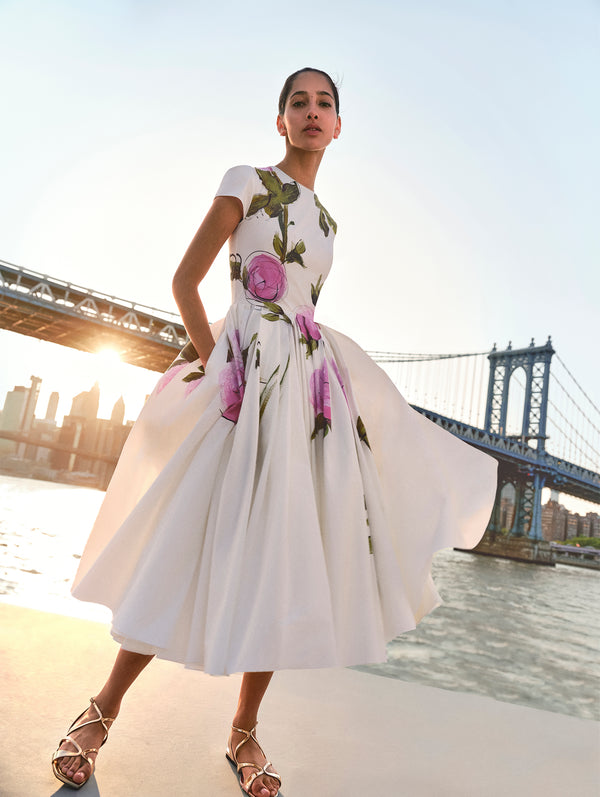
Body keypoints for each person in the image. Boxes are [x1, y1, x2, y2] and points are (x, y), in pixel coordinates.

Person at [52, 67, 497, 795]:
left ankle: (244, 730)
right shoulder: (246, 180)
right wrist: (212, 365)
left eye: (326, 103)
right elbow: (185, 280)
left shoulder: (328, 225)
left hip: (305, 394)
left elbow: (302, 306)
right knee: (187, 534)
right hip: (240, 381)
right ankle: (102, 707)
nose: (313, 111)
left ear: (340, 126)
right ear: (281, 120)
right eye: (300, 102)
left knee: (283, 551)